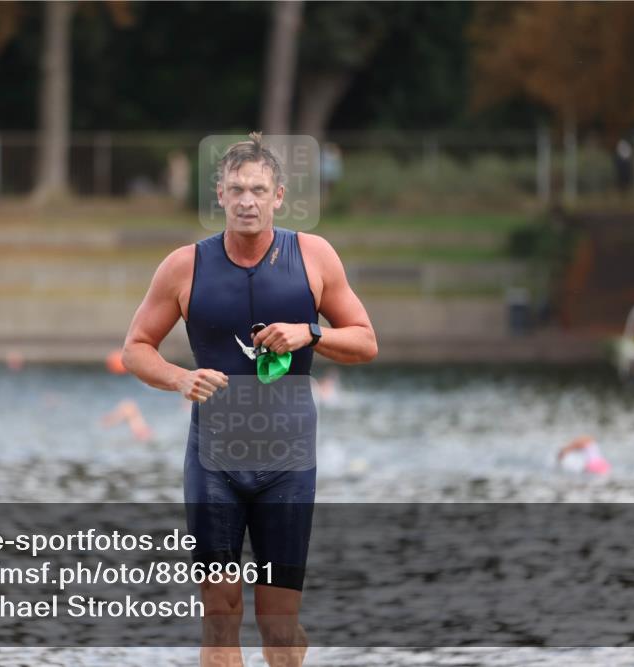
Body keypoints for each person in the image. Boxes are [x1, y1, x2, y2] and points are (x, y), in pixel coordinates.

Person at [122, 132, 377, 667]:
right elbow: (136, 348)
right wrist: (178, 379)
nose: (247, 201)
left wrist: (311, 332)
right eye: (236, 189)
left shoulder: (313, 256)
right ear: (219, 194)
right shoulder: (184, 266)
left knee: (277, 629)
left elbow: (365, 342)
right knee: (220, 614)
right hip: (214, 460)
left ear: (278, 196)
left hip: (288, 463)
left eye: (258, 190)